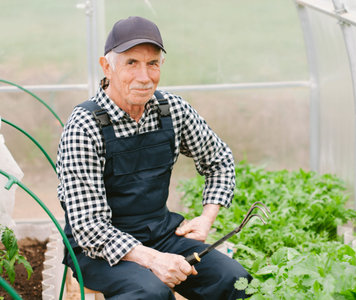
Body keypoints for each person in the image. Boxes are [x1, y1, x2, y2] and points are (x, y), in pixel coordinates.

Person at [56, 16, 251, 299]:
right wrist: (153, 259)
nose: (144, 77)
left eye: (153, 64)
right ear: (106, 67)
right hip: (99, 251)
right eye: (131, 63)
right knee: (152, 293)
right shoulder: (85, 126)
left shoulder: (171, 109)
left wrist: (207, 217)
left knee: (235, 280)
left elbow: (219, 159)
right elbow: (89, 228)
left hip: (161, 234)